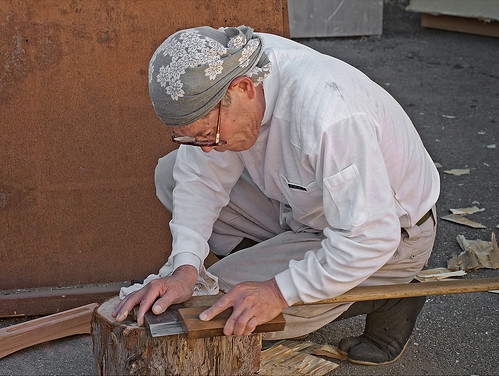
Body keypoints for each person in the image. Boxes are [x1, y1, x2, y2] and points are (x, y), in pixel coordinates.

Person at [113, 25, 440, 365]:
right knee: (173, 175)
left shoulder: (330, 118)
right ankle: (285, 271)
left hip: (389, 237)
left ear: (243, 88)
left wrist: (276, 292)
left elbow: (370, 237)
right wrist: (185, 267)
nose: (206, 148)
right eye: (192, 138)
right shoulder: (230, 68)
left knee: (228, 314)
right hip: (302, 208)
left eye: (209, 134)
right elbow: (199, 181)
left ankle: (387, 295)